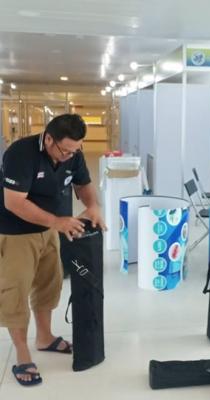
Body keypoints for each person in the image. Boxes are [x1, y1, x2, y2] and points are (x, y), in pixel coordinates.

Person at [0, 114, 106, 386]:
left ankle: (44, 337)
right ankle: (22, 353)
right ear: (48, 139)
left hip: (50, 230)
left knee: (49, 284)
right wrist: (58, 222)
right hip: (15, 232)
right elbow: (14, 202)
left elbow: (83, 184)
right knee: (15, 290)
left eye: (75, 151)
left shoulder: (73, 154)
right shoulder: (20, 154)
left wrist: (93, 206)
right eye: (66, 150)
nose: (70, 156)